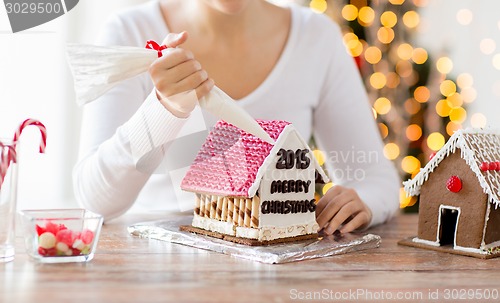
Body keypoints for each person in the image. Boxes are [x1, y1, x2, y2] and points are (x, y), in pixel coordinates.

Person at [73, 0, 400, 234]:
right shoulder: (131, 33)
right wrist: (164, 110)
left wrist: (362, 202)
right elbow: (97, 199)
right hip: (156, 271)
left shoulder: (317, 37)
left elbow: (377, 180)